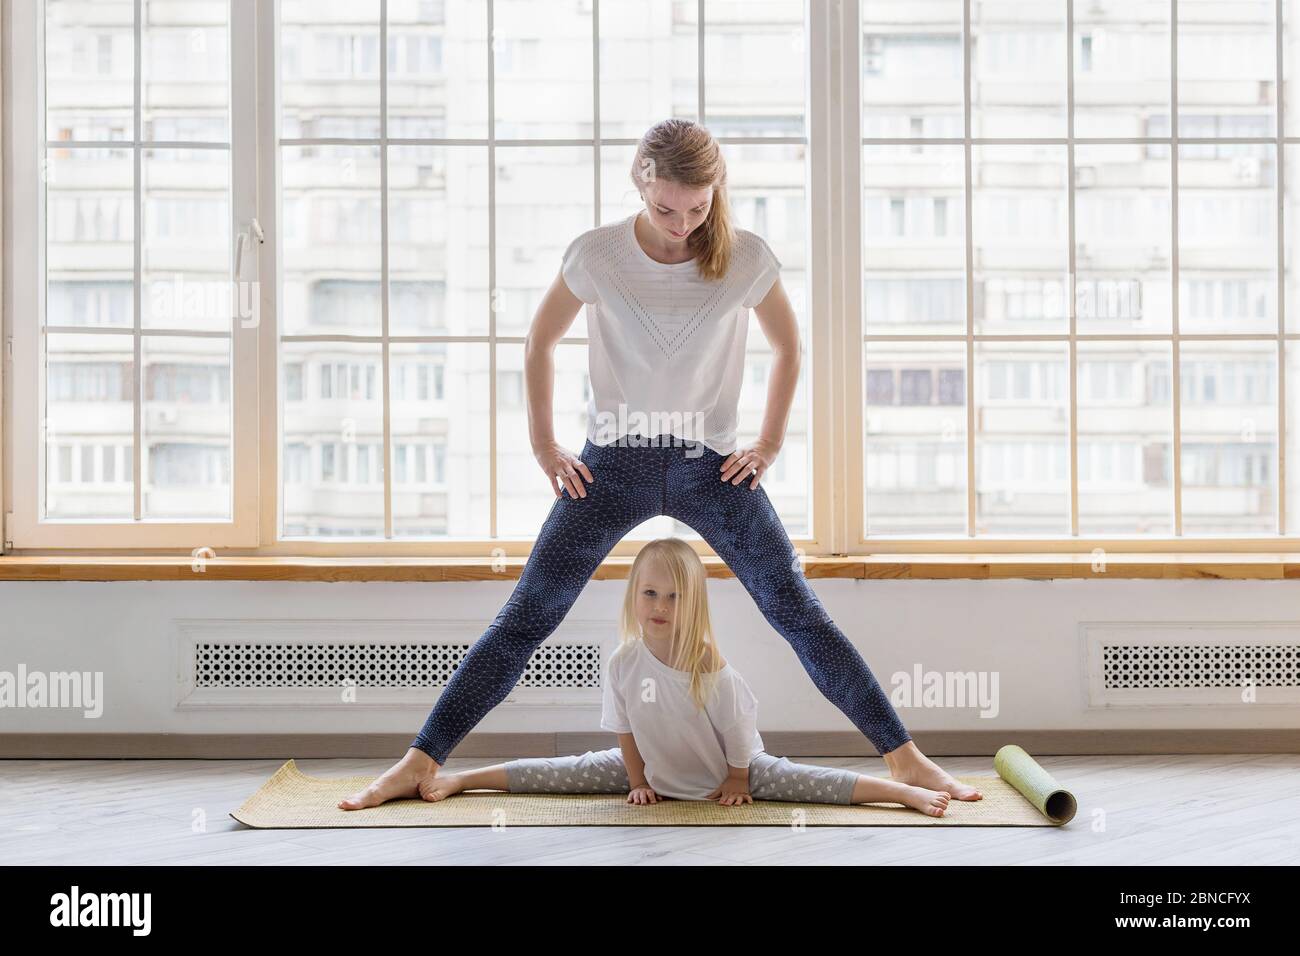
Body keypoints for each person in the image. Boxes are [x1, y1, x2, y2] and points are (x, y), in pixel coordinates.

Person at [341, 118, 981, 810]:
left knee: (795, 608)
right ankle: (418, 760)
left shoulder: (745, 258)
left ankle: (905, 758)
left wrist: (766, 444)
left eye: (698, 208)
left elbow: (791, 348)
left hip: (712, 467)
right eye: (666, 208)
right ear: (640, 183)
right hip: (611, 466)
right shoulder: (598, 255)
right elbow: (538, 342)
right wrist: (543, 446)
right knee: (529, 613)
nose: (682, 224)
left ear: (717, 192)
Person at [417, 538, 953, 817]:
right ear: (635, 598)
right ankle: (464, 777)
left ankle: (897, 789)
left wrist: (740, 779)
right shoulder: (623, 663)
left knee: (808, 784)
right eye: (650, 594)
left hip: (725, 771)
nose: (661, 606)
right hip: (652, 769)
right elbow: (624, 731)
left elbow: (741, 731)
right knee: (565, 770)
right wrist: (637, 781)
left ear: (692, 603)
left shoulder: (710, 669)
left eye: (674, 597)